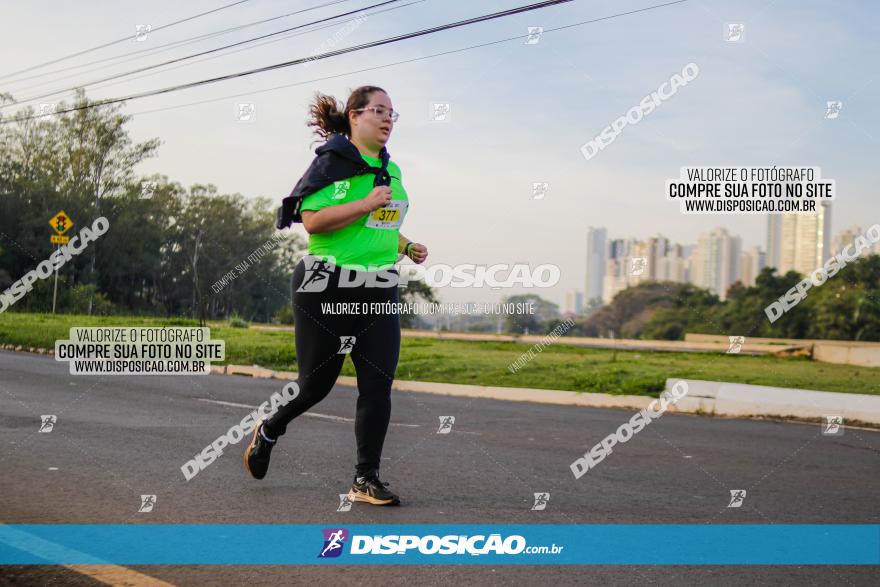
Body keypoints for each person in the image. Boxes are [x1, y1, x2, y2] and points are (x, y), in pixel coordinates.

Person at [244, 85, 427, 507]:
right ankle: (270, 429)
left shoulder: (391, 170)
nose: (387, 119)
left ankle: (366, 479)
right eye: (378, 111)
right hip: (325, 282)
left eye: (392, 113)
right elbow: (314, 221)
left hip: (379, 285)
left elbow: (379, 225)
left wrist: (405, 246)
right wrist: (364, 203)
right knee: (315, 385)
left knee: (378, 382)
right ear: (354, 116)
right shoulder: (332, 162)